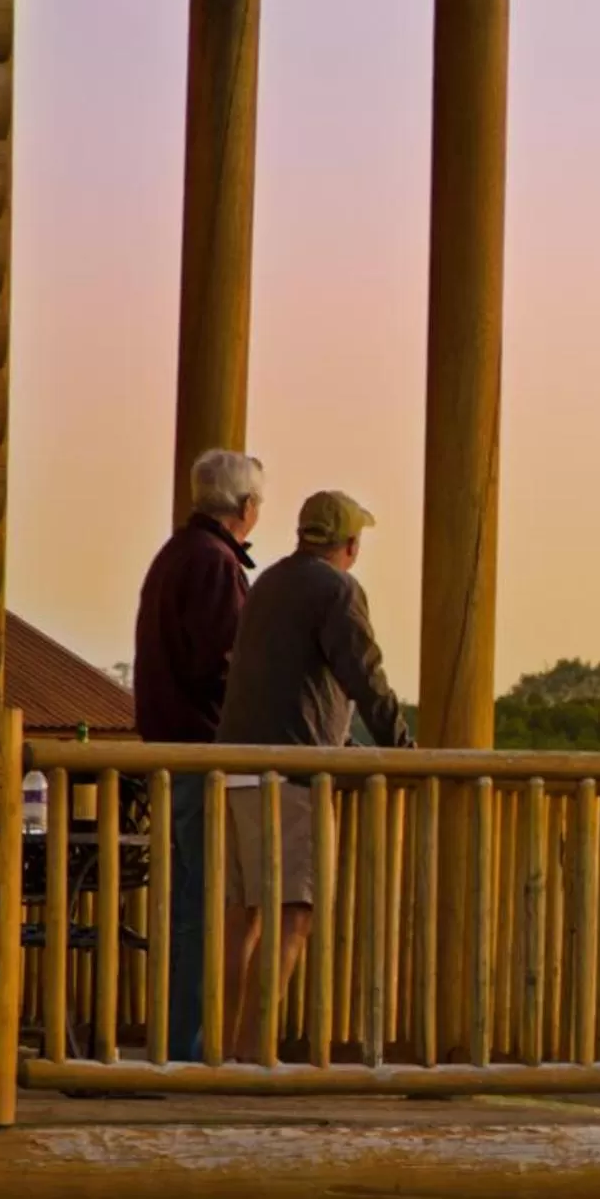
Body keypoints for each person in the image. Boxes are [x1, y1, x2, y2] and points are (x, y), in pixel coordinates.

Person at [215, 490, 414, 1057]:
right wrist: (401, 747)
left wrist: (341, 739)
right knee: (293, 915)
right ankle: (256, 1057)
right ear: (349, 544)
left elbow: (294, 684)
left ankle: (224, 1056)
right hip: (291, 773)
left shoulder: (270, 583)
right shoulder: (337, 589)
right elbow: (364, 676)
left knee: (244, 917)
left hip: (235, 766)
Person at [131, 448, 261, 1063]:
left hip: (171, 748)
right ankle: (188, 1048)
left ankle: (182, 1043)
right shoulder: (214, 565)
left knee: (191, 902)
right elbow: (228, 664)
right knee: (202, 906)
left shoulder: (178, 555)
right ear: (247, 508)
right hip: (201, 754)